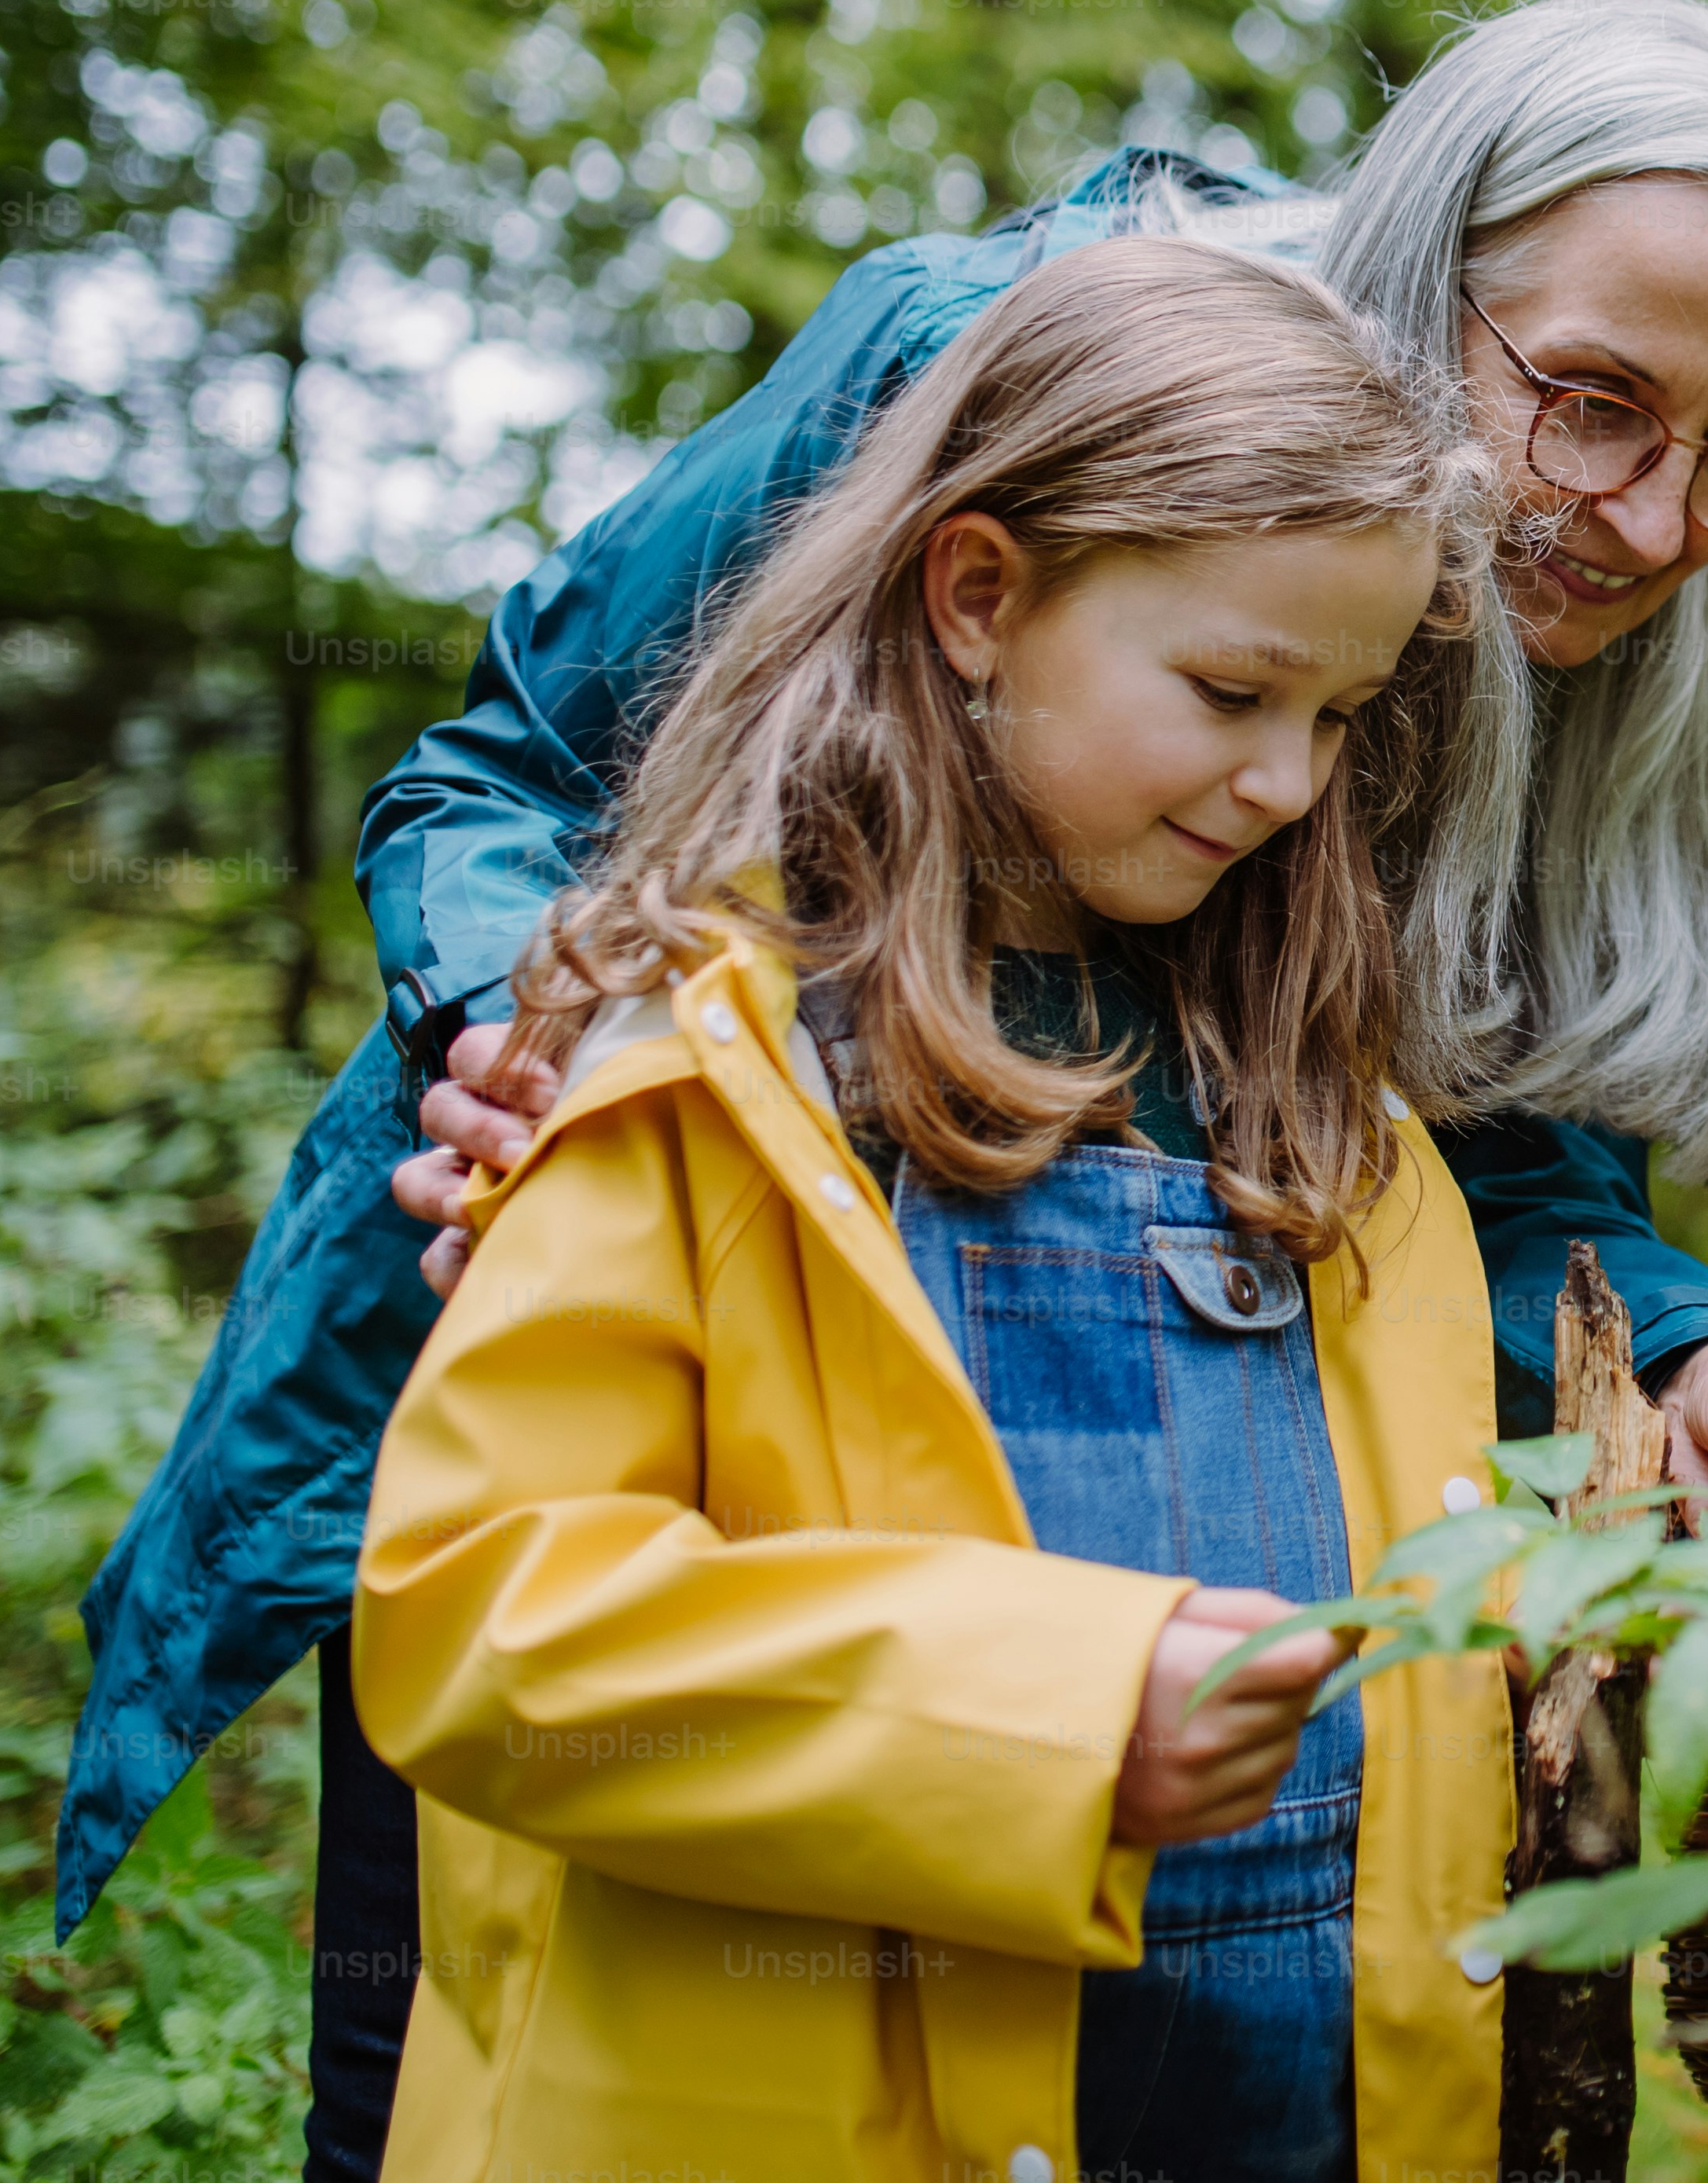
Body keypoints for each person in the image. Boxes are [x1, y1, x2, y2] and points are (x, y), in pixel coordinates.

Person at [57, 0, 1708, 2177]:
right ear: (1429, 277)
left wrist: (1687, 1353)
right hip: (667, 1397)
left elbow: (1493, 1146)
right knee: (511, 2037)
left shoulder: (1578, 646)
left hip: (1132, 1626)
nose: (1653, 519)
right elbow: (512, 773)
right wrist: (538, 1029)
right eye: (1593, 402)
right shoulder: (995, 369)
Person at [357, 240, 1508, 2182]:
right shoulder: (698, 1057)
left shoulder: (1337, 1127)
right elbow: (486, 1625)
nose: (1284, 780)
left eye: (1343, 714)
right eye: (1233, 687)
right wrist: (1047, 1719)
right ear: (978, 591)